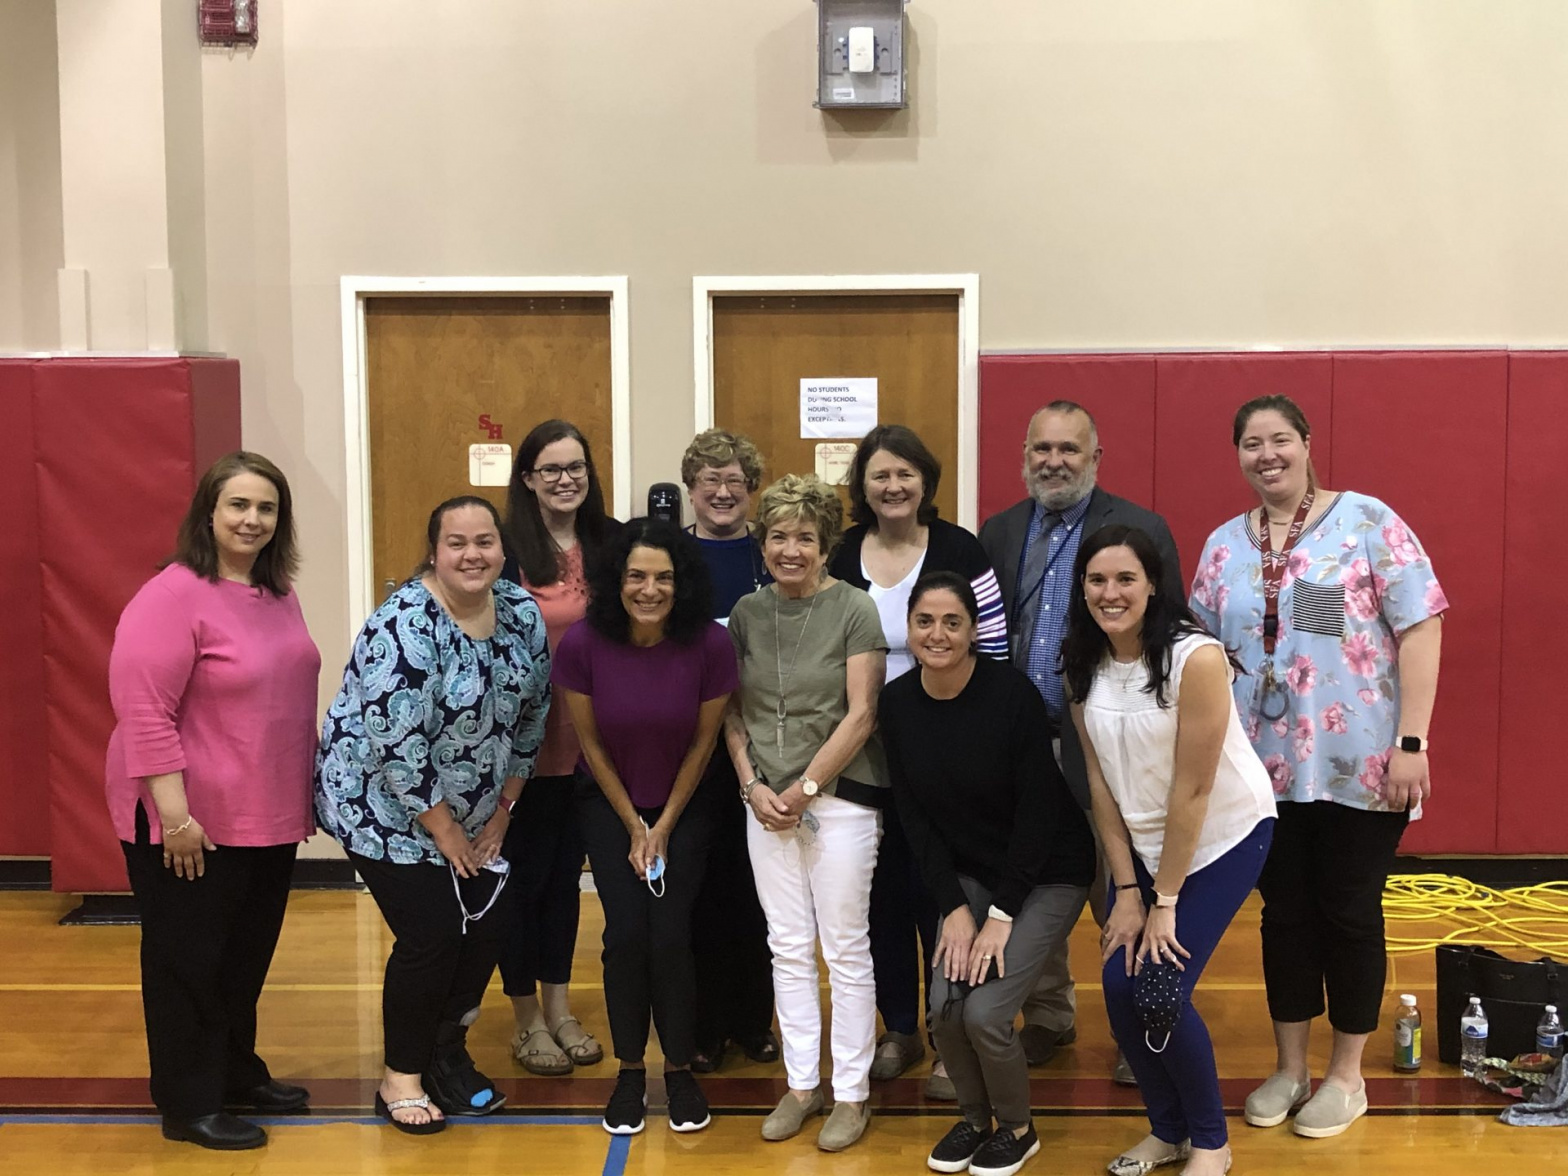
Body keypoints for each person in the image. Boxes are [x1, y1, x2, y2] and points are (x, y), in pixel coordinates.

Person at [1189, 395, 1446, 1140]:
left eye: (1280, 439)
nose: (1266, 454)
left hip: (1359, 765)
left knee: (1349, 912)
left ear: (1306, 443)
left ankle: (1346, 1076)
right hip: (1260, 771)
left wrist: (1413, 742)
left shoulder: (1367, 522)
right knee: (1285, 916)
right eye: (1251, 443)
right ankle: (1291, 1066)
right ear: (1237, 455)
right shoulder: (1223, 546)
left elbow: (1422, 627)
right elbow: (1199, 654)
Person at [315, 496, 551, 1133]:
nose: (473, 555)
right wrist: (446, 834)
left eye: (484, 541)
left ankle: (446, 1052)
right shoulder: (404, 624)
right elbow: (399, 748)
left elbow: (534, 715)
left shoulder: (521, 611)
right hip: (382, 806)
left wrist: (504, 811)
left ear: (502, 548)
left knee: (490, 924)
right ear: (434, 552)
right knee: (435, 933)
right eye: (457, 543)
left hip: (477, 808)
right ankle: (401, 1076)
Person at [106, 452, 320, 1151]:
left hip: (265, 816)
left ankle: (234, 1072)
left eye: (267, 508)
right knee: (187, 965)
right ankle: (188, 1101)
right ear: (208, 513)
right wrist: (175, 818)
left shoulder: (275, 592)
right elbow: (144, 712)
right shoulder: (171, 596)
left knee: (242, 959)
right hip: (190, 822)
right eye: (238, 505)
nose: (252, 519)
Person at [978, 399, 1182, 1082]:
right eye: (1041, 449)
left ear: (1096, 457)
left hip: (1105, 738)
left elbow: (1167, 634)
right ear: (1024, 456)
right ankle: (1049, 1015)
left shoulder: (1140, 528)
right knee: (1031, 878)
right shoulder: (1000, 531)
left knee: (1117, 882)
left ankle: (1136, 1026)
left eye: (1069, 449)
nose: (1054, 461)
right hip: (1018, 742)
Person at [1065, 525, 1277, 1176]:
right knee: (1116, 986)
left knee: (1160, 988)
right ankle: (1168, 1132)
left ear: (1153, 585)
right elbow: (1100, 783)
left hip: (1221, 836)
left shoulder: (1197, 658)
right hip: (1143, 846)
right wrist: (1127, 890)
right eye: (1097, 580)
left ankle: (1211, 1143)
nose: (1110, 593)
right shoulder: (1082, 660)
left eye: (1126, 579)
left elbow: (1194, 791)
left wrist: (1164, 901)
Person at [879, 572, 1094, 1176]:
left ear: (974, 631)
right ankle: (976, 1121)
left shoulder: (1011, 695)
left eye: (953, 622)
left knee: (986, 1012)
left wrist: (1000, 915)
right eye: (925, 621)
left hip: (1048, 871)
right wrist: (952, 907)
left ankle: (1018, 1129)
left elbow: (1038, 814)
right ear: (908, 628)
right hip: (970, 872)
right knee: (946, 1009)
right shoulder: (896, 704)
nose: (938, 634)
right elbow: (915, 817)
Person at [829, 424, 1007, 1095]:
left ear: (926, 480)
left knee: (944, 893)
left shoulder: (961, 549)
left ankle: (946, 1034)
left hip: (945, 753)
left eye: (906, 473)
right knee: (881, 898)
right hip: (864, 759)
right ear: (863, 485)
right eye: (880, 474)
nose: (894, 486)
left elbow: (994, 648)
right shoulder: (843, 554)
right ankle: (899, 1028)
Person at [556, 518, 738, 1134]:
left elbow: (704, 743)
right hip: (608, 804)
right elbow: (589, 744)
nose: (650, 589)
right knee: (627, 935)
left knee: (672, 935)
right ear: (617, 580)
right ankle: (630, 1071)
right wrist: (635, 826)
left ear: (681, 584)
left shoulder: (711, 644)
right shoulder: (583, 644)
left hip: (686, 804)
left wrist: (661, 828)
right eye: (637, 576)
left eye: (663, 577)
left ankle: (679, 1070)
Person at [725, 473, 888, 1152]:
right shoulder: (746, 613)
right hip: (765, 805)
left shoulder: (855, 608)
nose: (790, 550)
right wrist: (753, 787)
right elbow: (732, 712)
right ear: (762, 543)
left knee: (844, 948)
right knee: (787, 946)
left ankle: (850, 1092)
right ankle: (801, 1086)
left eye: (804, 538)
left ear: (826, 546)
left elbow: (862, 714)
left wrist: (807, 788)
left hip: (840, 802)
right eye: (778, 536)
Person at [498, 419, 619, 1075]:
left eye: (576, 467)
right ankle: (525, 1019)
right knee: (523, 883)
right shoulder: (506, 550)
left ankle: (560, 1007)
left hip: (593, 746)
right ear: (528, 479)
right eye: (551, 469)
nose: (566, 479)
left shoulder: (611, 543)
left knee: (567, 883)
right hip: (523, 752)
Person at [680, 428, 779, 1072]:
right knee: (699, 888)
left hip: (762, 742)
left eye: (735, 481)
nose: (722, 492)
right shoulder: (673, 555)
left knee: (756, 889)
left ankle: (754, 1021)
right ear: (690, 490)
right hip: (688, 744)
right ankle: (705, 1026)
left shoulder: (769, 554)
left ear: (752, 490)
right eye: (709, 480)